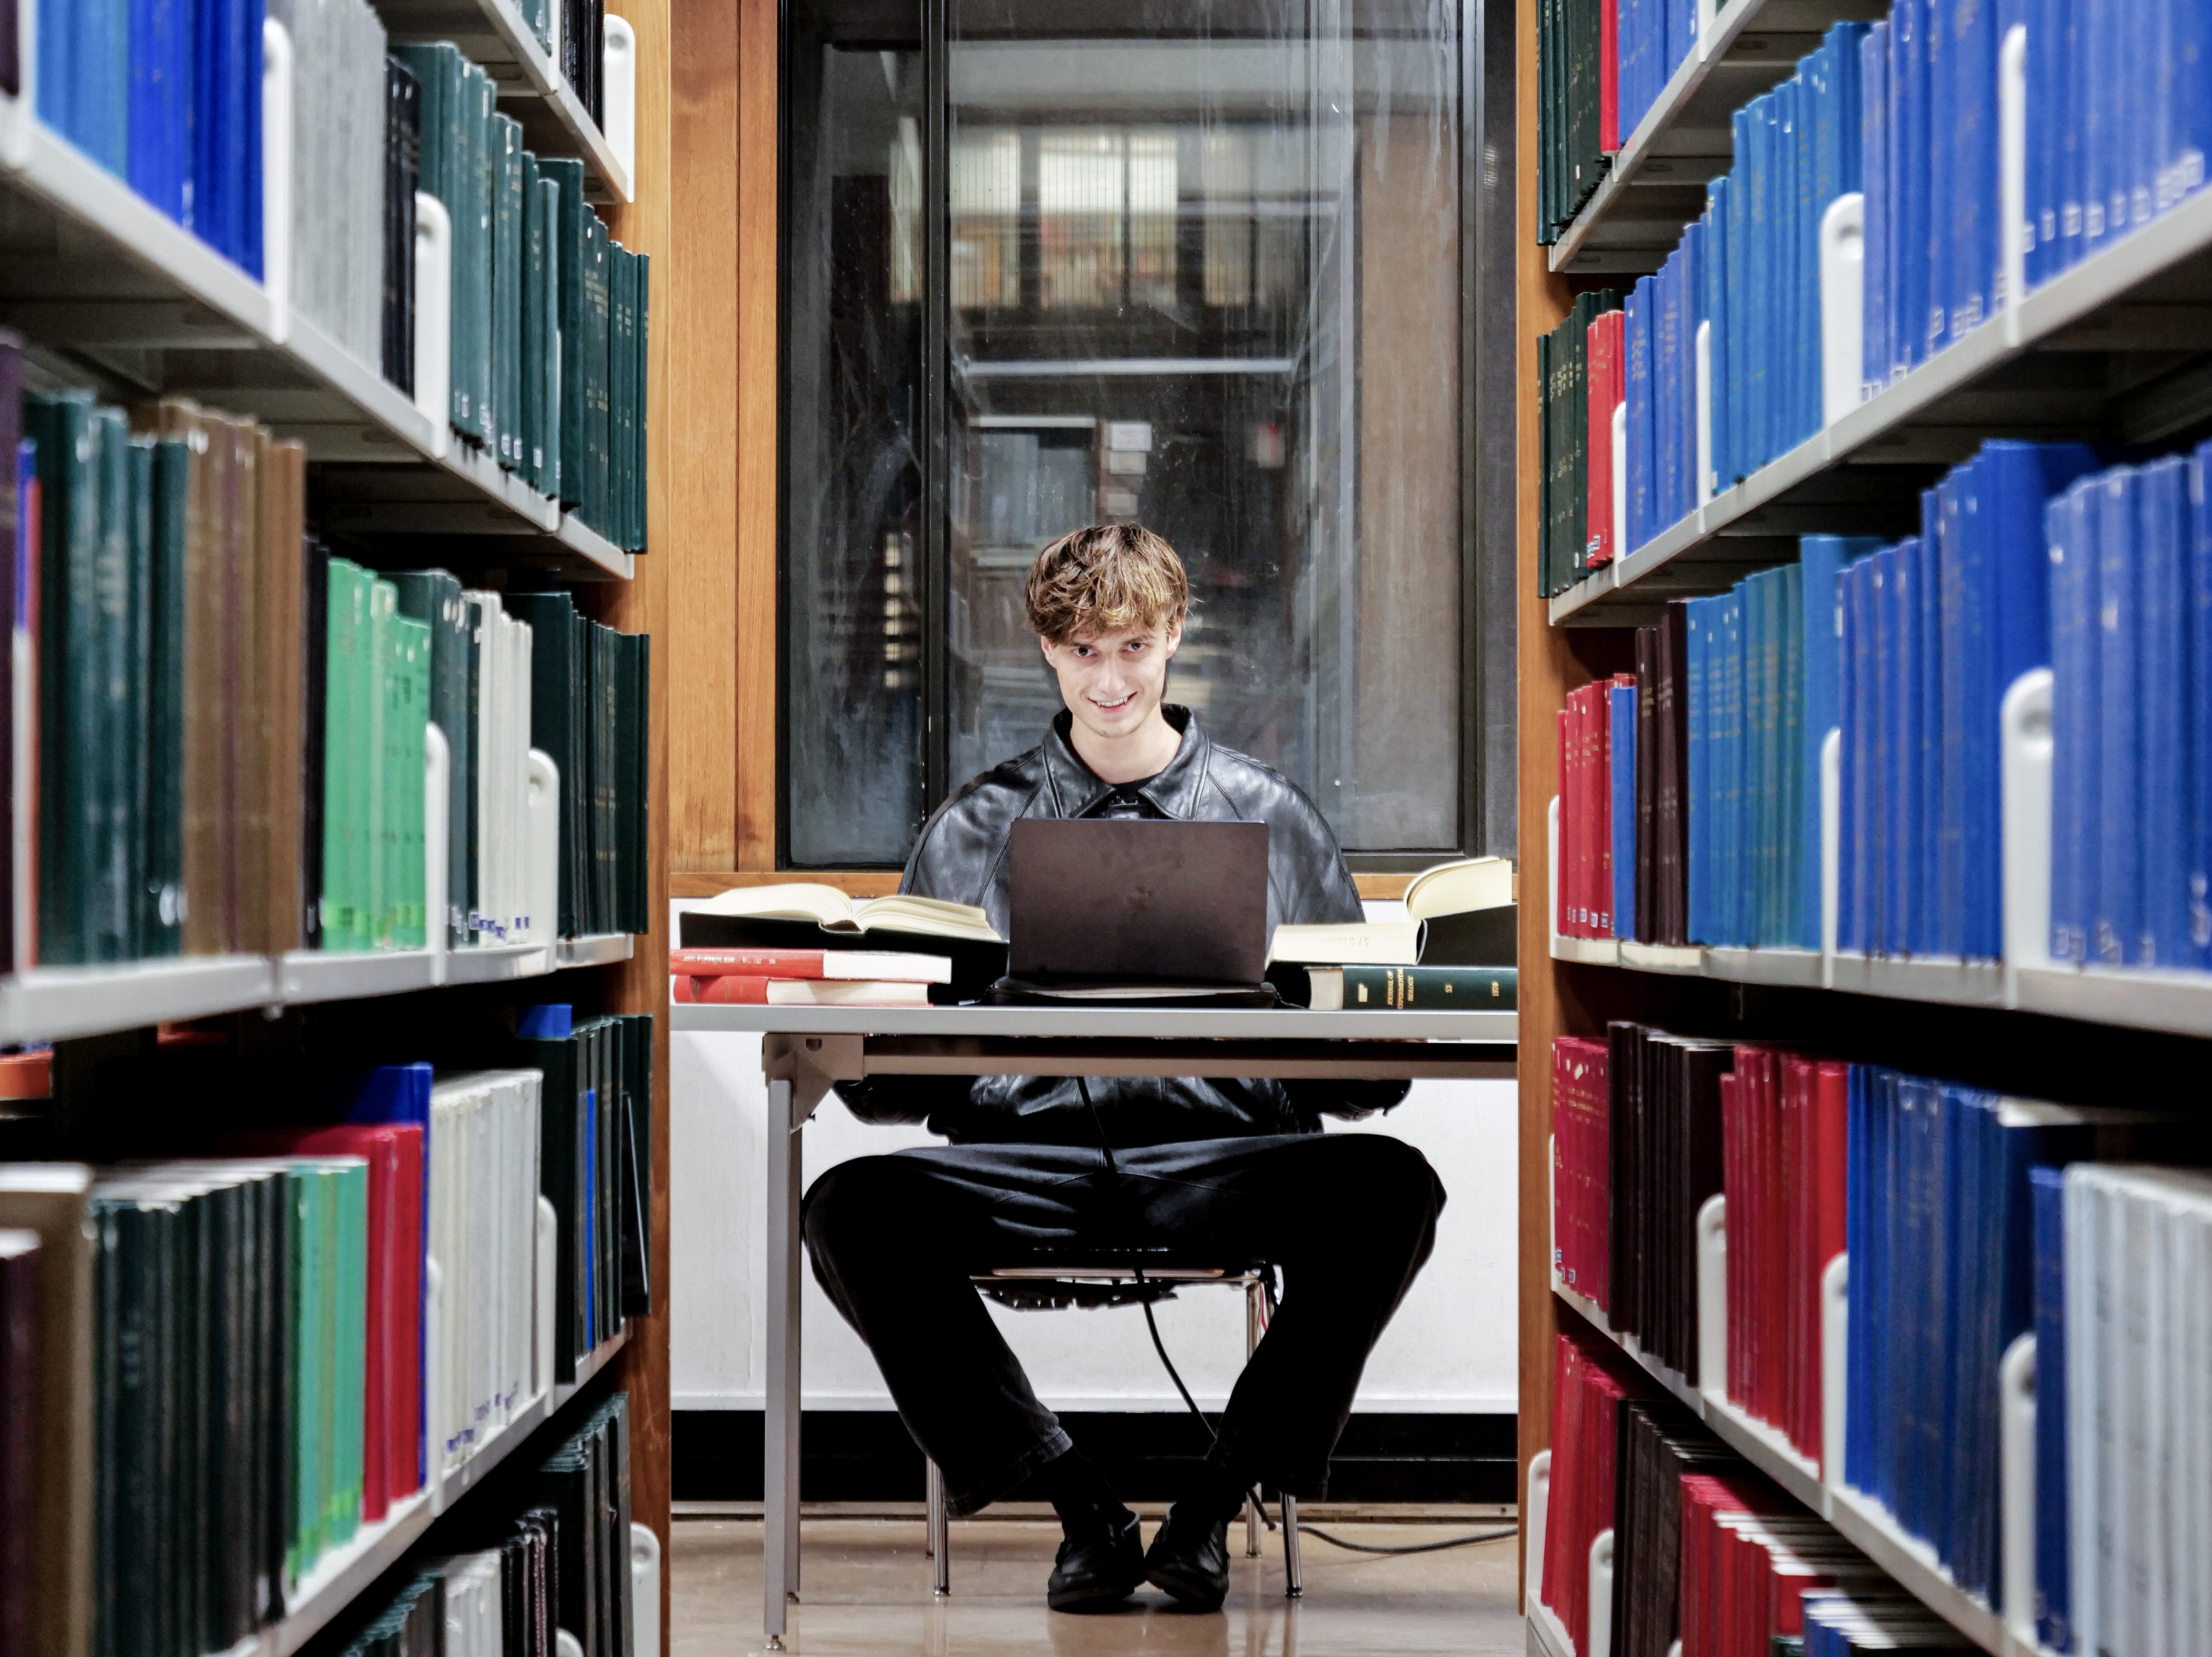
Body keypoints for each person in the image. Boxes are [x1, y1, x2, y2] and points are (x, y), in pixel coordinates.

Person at [801, 523, 1446, 1612]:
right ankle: (1075, 1496)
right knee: (845, 1210)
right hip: (1027, 1165)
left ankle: (1208, 1506)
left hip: (1221, 1162)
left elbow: (1369, 1085)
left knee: (1393, 1189)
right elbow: (880, 1093)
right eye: (1082, 650)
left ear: (1174, 636)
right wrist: (912, 1009)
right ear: (1046, 650)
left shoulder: (1270, 818)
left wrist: (1286, 1002)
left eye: (1133, 647)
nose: (1109, 679)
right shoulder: (972, 828)